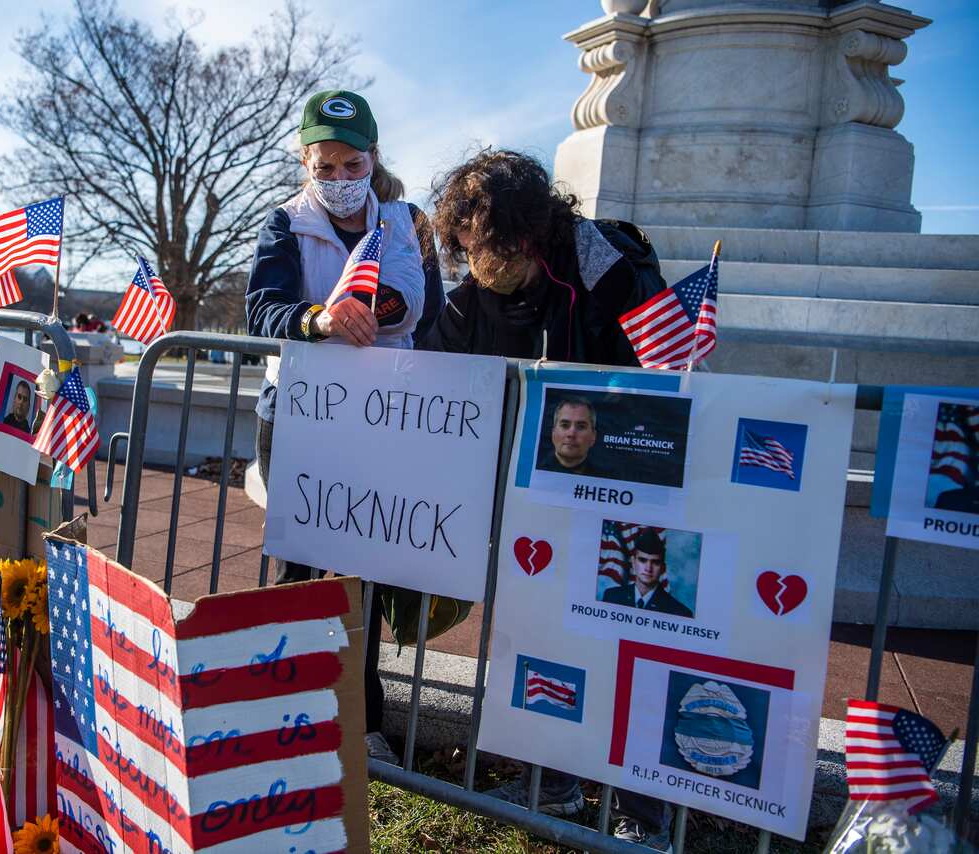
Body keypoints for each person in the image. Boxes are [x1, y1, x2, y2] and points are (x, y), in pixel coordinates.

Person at [420, 149, 677, 852]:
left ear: (525, 232)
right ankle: (553, 782)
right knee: (538, 636)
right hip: (536, 497)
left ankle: (641, 807)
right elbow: (433, 368)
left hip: (623, 489)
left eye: (484, 243)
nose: (474, 261)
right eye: (463, 246)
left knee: (627, 642)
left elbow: (663, 380)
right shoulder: (478, 294)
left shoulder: (610, 272)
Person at [245, 89, 444, 765]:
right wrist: (319, 320)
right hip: (299, 416)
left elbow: (434, 313)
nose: (336, 179)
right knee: (300, 566)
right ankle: (281, 711)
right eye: (322, 166)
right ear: (306, 162)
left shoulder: (410, 224)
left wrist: (379, 313)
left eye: (349, 163)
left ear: (372, 157)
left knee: (362, 569)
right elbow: (262, 313)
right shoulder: (284, 223)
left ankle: (361, 723)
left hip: (383, 419)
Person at [601, 528, 693, 617]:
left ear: (662, 567)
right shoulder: (611, 597)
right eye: (642, 560)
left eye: (655, 562)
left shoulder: (679, 612)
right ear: (633, 562)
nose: (648, 568)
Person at [538, 396, 598, 475]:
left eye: (581, 427)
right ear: (553, 432)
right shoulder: (532, 469)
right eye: (565, 425)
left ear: (593, 436)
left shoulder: (608, 478)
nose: (571, 434)